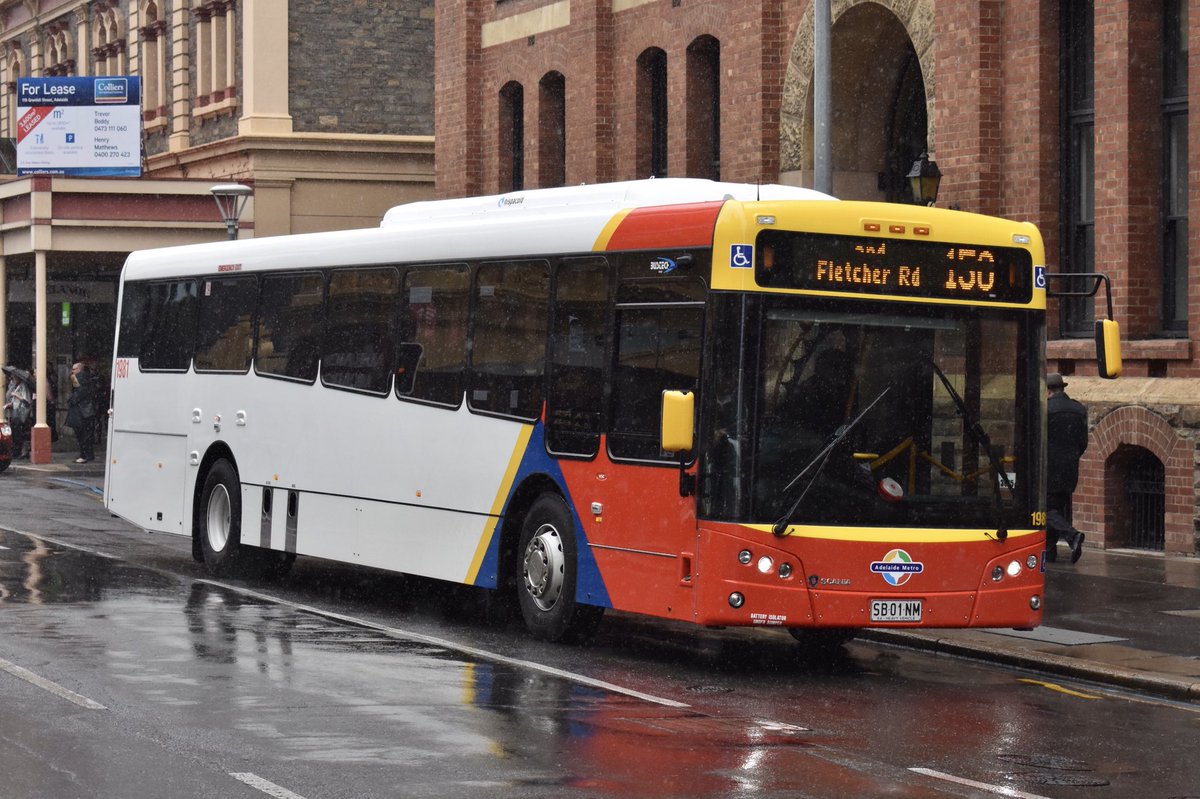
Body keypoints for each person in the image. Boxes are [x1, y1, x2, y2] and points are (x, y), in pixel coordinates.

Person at [1046, 372, 1088, 563]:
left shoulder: (1045, 409)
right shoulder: (1078, 409)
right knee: (1057, 509)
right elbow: (1082, 442)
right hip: (1070, 468)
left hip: (1049, 468)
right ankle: (1049, 551)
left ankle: (1072, 536)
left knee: (1043, 511)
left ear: (1047, 391)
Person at [66, 361, 100, 464]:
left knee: (83, 435)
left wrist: (71, 400)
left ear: (79, 369)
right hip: (86, 412)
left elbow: (79, 392)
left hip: (82, 412)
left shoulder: (79, 377)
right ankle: (88, 455)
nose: (72, 371)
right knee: (86, 434)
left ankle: (84, 455)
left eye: (74, 369)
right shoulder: (87, 378)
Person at [3, 366, 34, 459]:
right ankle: (16, 451)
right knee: (15, 433)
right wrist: (10, 404)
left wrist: (17, 395)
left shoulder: (23, 386)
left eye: (13, 377)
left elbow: (27, 401)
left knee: (20, 433)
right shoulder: (14, 386)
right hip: (14, 413)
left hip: (22, 414)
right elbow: (13, 401)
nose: (12, 378)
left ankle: (21, 452)